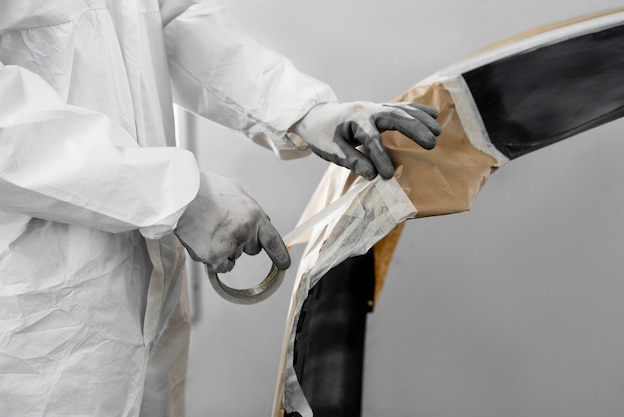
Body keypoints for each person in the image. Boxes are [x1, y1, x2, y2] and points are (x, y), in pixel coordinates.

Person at [0, 1, 441, 415]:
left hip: (145, 287)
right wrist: (175, 194)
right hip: (36, 314)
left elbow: (163, 21)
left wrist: (303, 111)